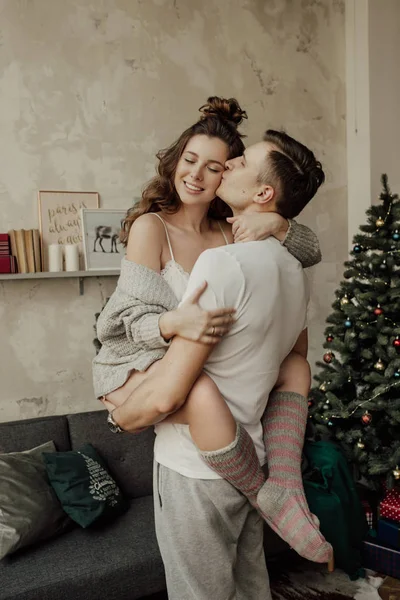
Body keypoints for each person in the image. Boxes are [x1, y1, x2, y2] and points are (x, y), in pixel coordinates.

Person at [93, 99, 329, 598]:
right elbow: (118, 325)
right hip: (149, 365)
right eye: (189, 159)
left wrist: (279, 224)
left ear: (231, 177)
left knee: (293, 367)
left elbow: (307, 247)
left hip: (230, 438)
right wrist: (171, 321)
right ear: (175, 158)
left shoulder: (235, 233)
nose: (197, 175)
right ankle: (277, 497)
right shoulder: (152, 228)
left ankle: (274, 493)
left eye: (217, 165)